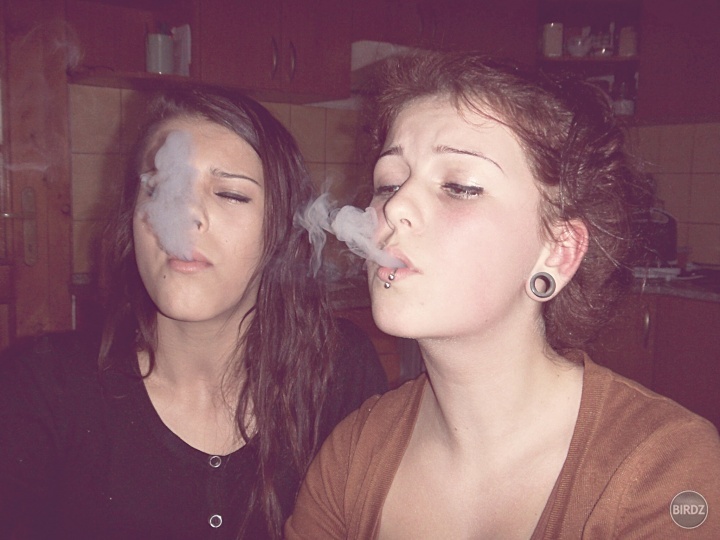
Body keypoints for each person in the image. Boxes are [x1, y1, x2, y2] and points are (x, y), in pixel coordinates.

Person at [285, 52, 720, 538]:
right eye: (388, 183)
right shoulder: (353, 452)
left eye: (459, 186)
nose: (396, 206)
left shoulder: (665, 471)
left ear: (557, 251)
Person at [0, 88, 387, 539]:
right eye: (160, 188)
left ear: (283, 229)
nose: (184, 214)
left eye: (230, 194)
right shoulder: (40, 386)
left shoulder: (341, 370)